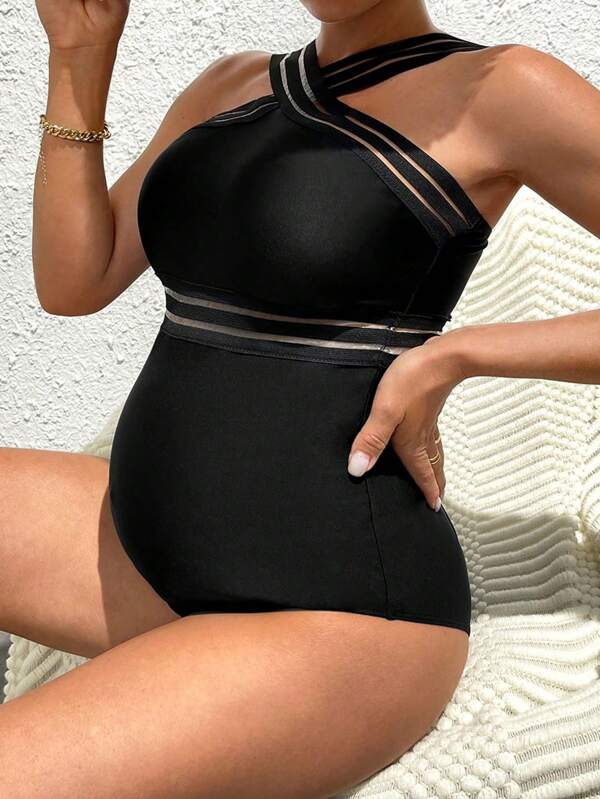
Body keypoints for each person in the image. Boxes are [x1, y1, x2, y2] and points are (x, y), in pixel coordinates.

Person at [2, 0, 599, 795]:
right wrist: (80, 57)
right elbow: (76, 280)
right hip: (139, 545)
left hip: (336, 609)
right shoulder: (229, 86)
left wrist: (457, 355)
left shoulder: (502, 87)